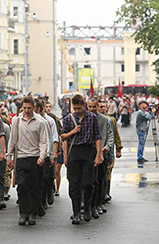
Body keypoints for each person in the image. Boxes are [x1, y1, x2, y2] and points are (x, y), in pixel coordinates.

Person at [61, 94, 103, 225]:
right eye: (75, 108)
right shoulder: (69, 119)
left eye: (79, 108)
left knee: (88, 183)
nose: (77, 110)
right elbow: (63, 136)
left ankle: (87, 208)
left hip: (88, 151)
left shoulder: (92, 118)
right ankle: (76, 212)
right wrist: (73, 132)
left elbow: (97, 136)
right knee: (74, 184)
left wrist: (98, 154)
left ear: (84, 105)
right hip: (75, 151)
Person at [6, 96, 47, 226]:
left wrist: (42, 156)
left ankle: (33, 213)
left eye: (29, 108)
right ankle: (23, 213)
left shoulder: (40, 122)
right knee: (22, 186)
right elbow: (12, 140)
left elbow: (43, 141)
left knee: (35, 186)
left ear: (34, 107)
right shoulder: (17, 121)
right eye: (24, 108)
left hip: (35, 157)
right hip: (21, 157)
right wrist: (9, 157)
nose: (27, 110)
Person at [87, 98, 114, 218]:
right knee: (87, 182)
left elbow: (110, 136)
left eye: (94, 107)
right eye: (90, 107)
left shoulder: (105, 120)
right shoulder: (84, 119)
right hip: (88, 155)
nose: (92, 109)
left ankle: (98, 204)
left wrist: (107, 147)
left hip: (102, 155)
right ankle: (86, 205)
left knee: (99, 181)